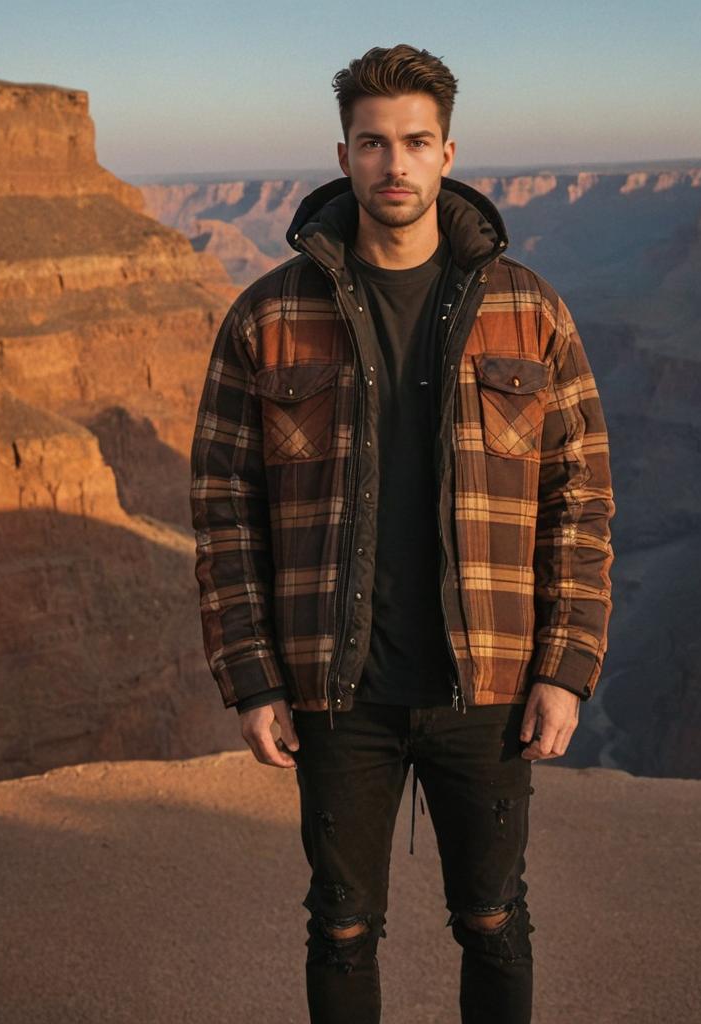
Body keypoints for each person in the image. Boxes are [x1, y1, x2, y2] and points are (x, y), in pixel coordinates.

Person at [189, 43, 615, 1024]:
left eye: (415, 142)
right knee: (339, 926)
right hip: (339, 690)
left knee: (493, 919)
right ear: (342, 154)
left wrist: (565, 665)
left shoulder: (529, 310)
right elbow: (224, 511)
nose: (394, 163)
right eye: (373, 142)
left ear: (448, 151)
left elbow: (579, 498)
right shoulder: (268, 316)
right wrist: (251, 677)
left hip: (490, 685)